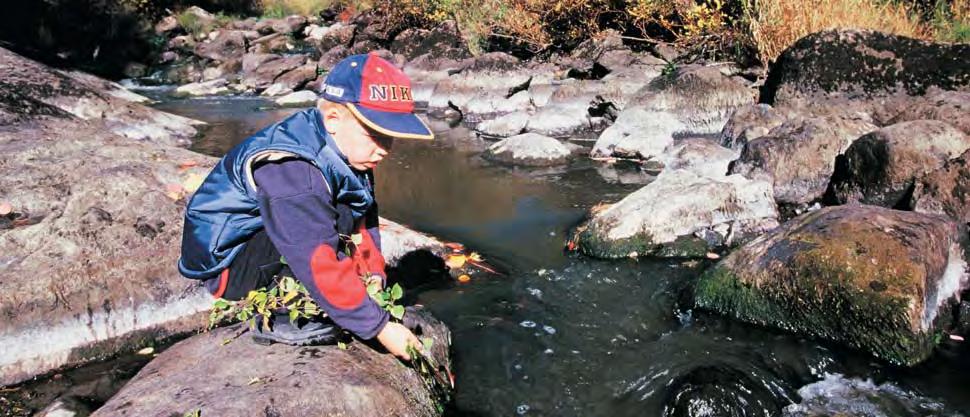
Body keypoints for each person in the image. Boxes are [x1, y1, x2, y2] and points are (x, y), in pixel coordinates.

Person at [177, 52, 433, 360]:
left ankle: (338, 299)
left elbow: (363, 212)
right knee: (318, 220)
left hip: (270, 236)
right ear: (334, 119)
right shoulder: (296, 171)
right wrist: (379, 328)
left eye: (389, 138)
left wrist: (374, 277)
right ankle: (284, 318)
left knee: (337, 211)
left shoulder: (349, 149)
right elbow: (315, 257)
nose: (384, 150)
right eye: (375, 134)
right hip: (230, 265)